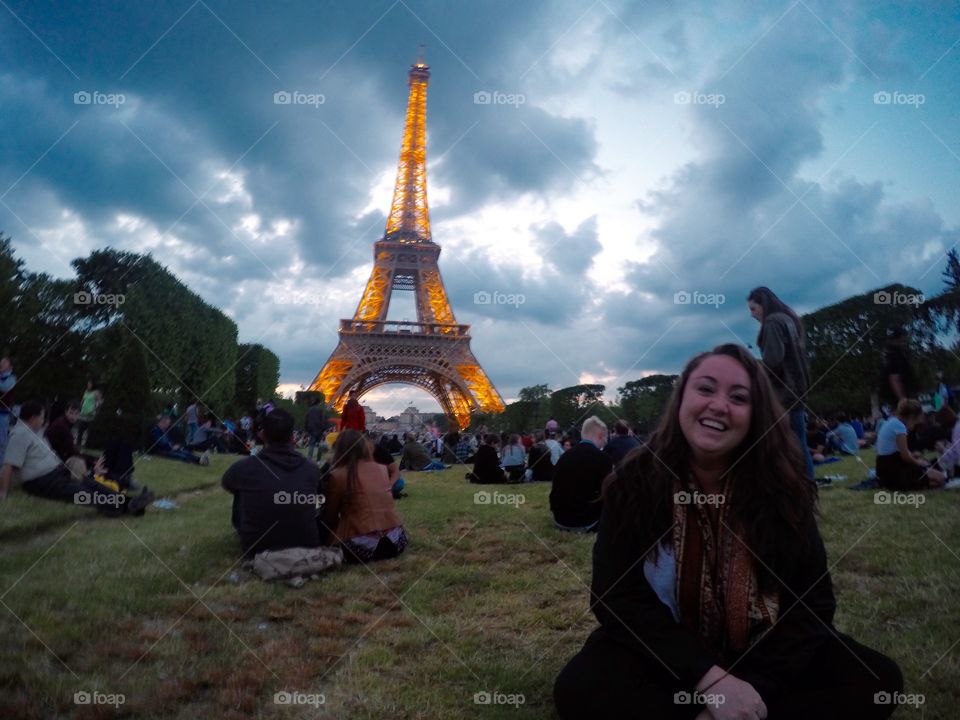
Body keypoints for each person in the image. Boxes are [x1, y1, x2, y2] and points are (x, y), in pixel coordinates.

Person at [554, 344, 903, 720]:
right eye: (705, 389)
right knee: (581, 686)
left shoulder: (784, 489)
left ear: (755, 416)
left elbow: (812, 605)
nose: (719, 406)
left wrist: (752, 685)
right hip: (669, 654)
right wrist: (710, 680)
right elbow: (615, 597)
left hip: (763, 651)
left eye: (738, 397)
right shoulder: (634, 483)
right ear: (681, 400)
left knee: (876, 678)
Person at [0, 401, 154, 514]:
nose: (43, 421)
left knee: (93, 484)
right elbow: (8, 465)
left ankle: (129, 502)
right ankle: (126, 507)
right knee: (82, 494)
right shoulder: (19, 434)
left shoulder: (33, 432)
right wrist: (3, 493)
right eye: (41, 417)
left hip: (57, 473)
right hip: (42, 481)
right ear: (32, 418)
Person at [221, 408, 325, 556]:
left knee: (241, 492)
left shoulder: (244, 467)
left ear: (262, 434)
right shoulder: (312, 469)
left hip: (257, 547)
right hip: (307, 544)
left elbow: (227, 484)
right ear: (292, 438)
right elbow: (319, 499)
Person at [747, 287, 814, 481]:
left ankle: (798, 485)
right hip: (797, 388)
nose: (752, 315)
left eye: (753, 309)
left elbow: (774, 360)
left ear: (763, 305)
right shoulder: (788, 320)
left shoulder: (772, 323)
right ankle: (806, 484)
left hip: (784, 392)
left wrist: (754, 370)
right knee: (799, 441)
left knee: (785, 443)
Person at [321, 429, 407, 563]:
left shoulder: (338, 475)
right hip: (397, 541)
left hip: (361, 547)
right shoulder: (382, 469)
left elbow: (329, 517)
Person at [549, 416, 612, 532]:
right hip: (586, 522)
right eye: (605, 439)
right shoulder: (603, 459)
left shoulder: (564, 457)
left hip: (559, 519)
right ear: (600, 436)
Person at [875, 399, 944, 490]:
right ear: (911, 417)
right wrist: (919, 463)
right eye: (915, 421)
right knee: (940, 478)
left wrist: (912, 455)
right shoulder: (900, 427)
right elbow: (905, 457)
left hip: (883, 470)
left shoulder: (892, 421)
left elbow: (898, 451)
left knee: (933, 478)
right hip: (894, 471)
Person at [44, 399, 95, 480]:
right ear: (66, 412)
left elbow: (70, 447)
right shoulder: (62, 426)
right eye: (71, 413)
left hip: (55, 453)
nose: (73, 416)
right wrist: (92, 463)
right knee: (79, 461)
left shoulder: (64, 423)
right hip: (52, 456)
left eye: (76, 414)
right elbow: (72, 450)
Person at [881, 327, 916, 409]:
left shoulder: (892, 354)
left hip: (898, 398)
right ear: (897, 339)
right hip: (901, 400)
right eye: (902, 339)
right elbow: (894, 379)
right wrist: (903, 400)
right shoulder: (894, 356)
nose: (904, 341)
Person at [0, 356, 16, 464]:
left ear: (10, 366)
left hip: (2, 415)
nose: (1, 363)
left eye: (4, 362)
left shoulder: (12, 378)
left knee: (1, 442)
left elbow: (4, 388)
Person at [76, 379, 101, 449]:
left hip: (90, 414)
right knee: (80, 430)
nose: (88, 385)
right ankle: (78, 445)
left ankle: (88, 445)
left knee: (88, 431)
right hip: (83, 413)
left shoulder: (96, 392)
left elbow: (99, 403)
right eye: (88, 384)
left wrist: (95, 410)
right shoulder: (86, 391)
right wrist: (79, 408)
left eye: (90, 384)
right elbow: (82, 401)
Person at [304, 397, 327, 462]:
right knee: (320, 445)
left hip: (311, 429)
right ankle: (318, 460)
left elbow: (306, 419)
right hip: (319, 429)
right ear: (319, 403)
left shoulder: (310, 409)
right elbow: (322, 420)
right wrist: (323, 429)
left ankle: (309, 459)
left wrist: (306, 429)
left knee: (311, 444)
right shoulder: (320, 410)